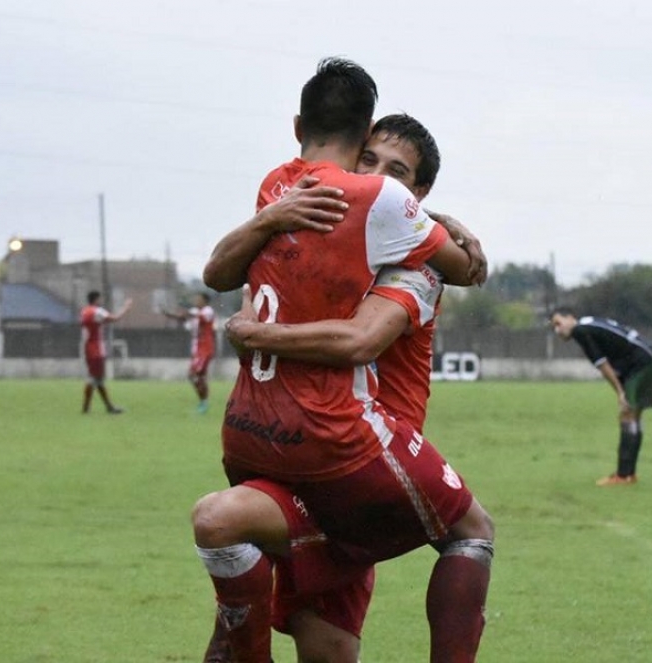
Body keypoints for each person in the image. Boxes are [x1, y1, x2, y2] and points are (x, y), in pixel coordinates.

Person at [191, 58, 489, 663]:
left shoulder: (316, 205)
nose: (375, 175)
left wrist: (252, 331)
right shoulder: (330, 221)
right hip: (344, 451)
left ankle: (235, 634)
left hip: (318, 446)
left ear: (419, 193)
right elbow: (348, 332)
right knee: (473, 530)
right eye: (371, 160)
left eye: (396, 172)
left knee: (325, 652)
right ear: (357, 142)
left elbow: (359, 335)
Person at [549, 307, 652, 486]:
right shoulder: (589, 322)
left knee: (627, 413)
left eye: (558, 323)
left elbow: (602, 365)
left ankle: (623, 475)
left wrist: (620, 392)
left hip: (642, 362)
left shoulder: (580, 330)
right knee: (634, 415)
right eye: (553, 328)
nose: (557, 330)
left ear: (570, 318)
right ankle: (629, 474)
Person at [80, 290, 133, 414]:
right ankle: (86, 408)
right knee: (94, 378)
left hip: (87, 348)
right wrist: (126, 307)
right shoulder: (97, 311)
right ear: (96, 299)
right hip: (97, 349)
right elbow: (115, 318)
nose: (101, 301)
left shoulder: (84, 311)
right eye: (100, 299)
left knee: (98, 379)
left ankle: (109, 407)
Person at [163, 292, 217, 413]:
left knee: (193, 375)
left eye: (198, 299)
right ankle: (204, 403)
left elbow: (197, 316)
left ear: (205, 301)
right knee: (200, 377)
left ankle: (203, 402)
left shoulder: (208, 311)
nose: (196, 300)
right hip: (197, 349)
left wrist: (186, 311)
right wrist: (169, 314)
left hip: (205, 348)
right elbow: (183, 317)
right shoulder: (195, 311)